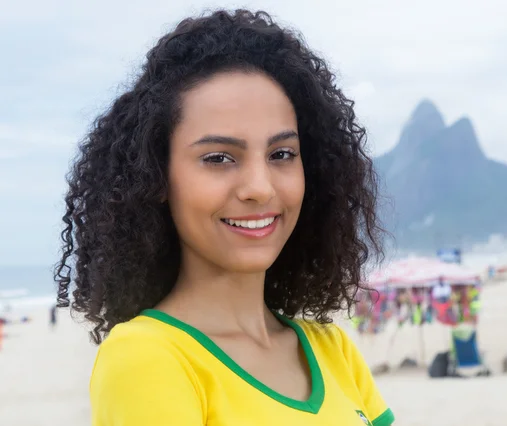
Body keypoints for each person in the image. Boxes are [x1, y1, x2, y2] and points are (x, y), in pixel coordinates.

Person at [54, 9, 394, 426]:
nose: (260, 187)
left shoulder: (331, 348)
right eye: (218, 158)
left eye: (281, 154)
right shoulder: (148, 358)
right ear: (157, 178)